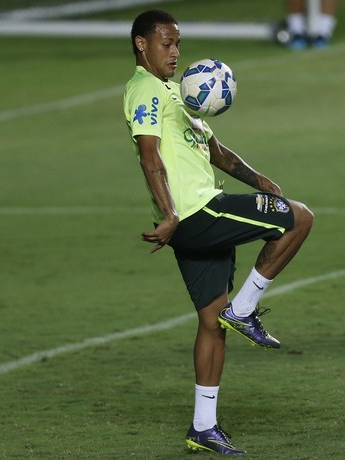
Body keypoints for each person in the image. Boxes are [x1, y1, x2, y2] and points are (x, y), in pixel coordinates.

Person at [123, 10, 313, 455]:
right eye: (166, 44)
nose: (175, 53)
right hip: (195, 213)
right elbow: (149, 156)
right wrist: (169, 212)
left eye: (178, 44)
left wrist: (258, 179)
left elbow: (216, 152)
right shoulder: (143, 91)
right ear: (141, 44)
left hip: (189, 219)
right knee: (299, 217)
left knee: (211, 323)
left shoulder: (179, 92)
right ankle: (245, 308)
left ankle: (203, 428)